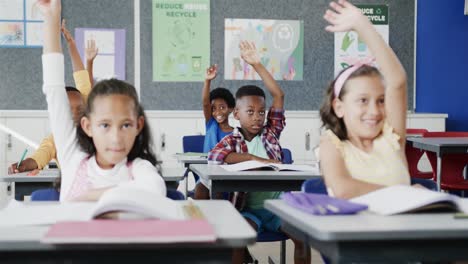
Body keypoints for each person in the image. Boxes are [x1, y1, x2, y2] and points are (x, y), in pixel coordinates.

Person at [38, 0, 166, 201]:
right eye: (105, 125)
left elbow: (155, 190)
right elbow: (53, 88)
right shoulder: (73, 156)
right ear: (88, 126)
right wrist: (51, 16)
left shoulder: (140, 168)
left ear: (139, 125)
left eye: (125, 125)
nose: (115, 137)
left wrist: (89, 196)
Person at [208, 41, 310, 264]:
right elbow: (215, 156)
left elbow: (279, 96)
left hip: (278, 209)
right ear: (236, 114)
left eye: (261, 112)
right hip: (248, 210)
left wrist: (257, 64)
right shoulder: (232, 140)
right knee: (237, 238)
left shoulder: (271, 133)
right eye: (250, 111)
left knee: (303, 236)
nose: (257, 117)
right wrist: (253, 158)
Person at [319, 0, 410, 199]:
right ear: (339, 107)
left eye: (381, 100)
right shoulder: (331, 144)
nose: (375, 111)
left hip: (403, 230)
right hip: (355, 230)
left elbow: (397, 81)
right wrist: (406, 194)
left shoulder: (391, 137)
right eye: (362, 100)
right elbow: (343, 189)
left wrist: (363, 25)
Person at [7, 19, 98, 175]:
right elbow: (40, 156)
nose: (76, 113)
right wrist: (25, 165)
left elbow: (82, 78)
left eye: (80, 109)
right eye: (70, 110)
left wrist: (71, 44)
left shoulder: (95, 130)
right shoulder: (55, 138)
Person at [194, 64, 235, 199]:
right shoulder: (211, 124)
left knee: (219, 193)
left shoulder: (236, 134)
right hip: (207, 174)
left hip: (227, 176)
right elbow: (205, 103)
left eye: (222, 107)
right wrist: (207, 81)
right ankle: (202, 220)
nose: (217, 112)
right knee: (200, 189)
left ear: (230, 109)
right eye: (214, 108)